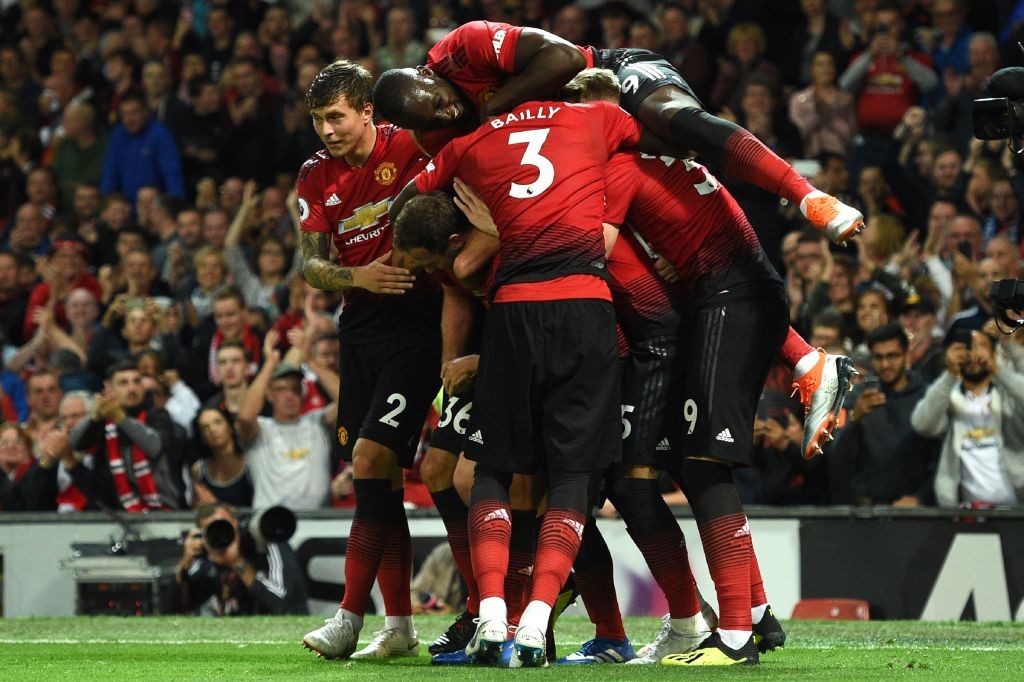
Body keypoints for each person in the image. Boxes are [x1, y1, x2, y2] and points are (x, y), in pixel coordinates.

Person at [387, 84, 679, 667]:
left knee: (516, 479)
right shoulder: (503, 172)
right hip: (556, 325)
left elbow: (469, 263)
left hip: (584, 331)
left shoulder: (493, 163)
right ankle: (506, 614)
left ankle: (534, 616)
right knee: (488, 474)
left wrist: (492, 230)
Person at [372, 19, 865, 247]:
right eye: (434, 120)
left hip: (608, 78)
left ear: (427, 73)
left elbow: (564, 58)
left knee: (678, 121)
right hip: (585, 146)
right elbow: (436, 190)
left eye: (439, 102)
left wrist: (493, 108)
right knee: (676, 157)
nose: (447, 113)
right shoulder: (434, 137)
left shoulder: (466, 44)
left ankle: (809, 197)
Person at [297, 61, 442, 662]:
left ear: (367, 112)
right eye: (318, 120)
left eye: (336, 117)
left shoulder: (409, 145)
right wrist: (359, 275)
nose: (327, 130)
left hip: (420, 322)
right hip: (359, 329)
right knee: (376, 480)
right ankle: (401, 626)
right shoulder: (315, 176)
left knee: (370, 455)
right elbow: (311, 264)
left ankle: (349, 618)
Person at [911, 330, 1024, 508]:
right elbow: (922, 424)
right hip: (965, 512)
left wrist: (998, 370)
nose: (973, 354)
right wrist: (949, 374)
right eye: (966, 348)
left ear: (994, 354)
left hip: (1016, 509)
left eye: (980, 346)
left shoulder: (1007, 395)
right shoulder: (949, 397)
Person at [830, 324, 939, 506]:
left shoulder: (927, 395)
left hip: (916, 509)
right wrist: (855, 418)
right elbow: (835, 456)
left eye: (892, 356)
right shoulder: (855, 397)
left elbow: (943, 457)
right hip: (868, 510)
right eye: (878, 358)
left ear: (906, 354)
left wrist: (921, 497)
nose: (885, 364)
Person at [234, 331, 336, 512]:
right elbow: (245, 416)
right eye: (281, 389)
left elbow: (350, 400)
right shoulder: (262, 429)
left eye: (295, 389)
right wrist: (269, 365)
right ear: (269, 394)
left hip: (318, 523)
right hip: (270, 521)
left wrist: (310, 360)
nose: (289, 396)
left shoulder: (317, 423)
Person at [69, 360, 183, 511]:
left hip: (164, 510)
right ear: (108, 388)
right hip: (118, 514)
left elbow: (155, 447)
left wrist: (121, 418)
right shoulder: (102, 422)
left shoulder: (157, 415)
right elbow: (75, 443)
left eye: (136, 381)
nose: (132, 389)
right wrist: (93, 417)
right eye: (123, 383)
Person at [176, 502, 308, 615]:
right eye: (213, 530)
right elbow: (176, 609)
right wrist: (185, 563)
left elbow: (281, 605)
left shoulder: (269, 543)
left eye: (225, 525)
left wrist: (238, 563)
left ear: (236, 524)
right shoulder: (207, 555)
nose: (222, 533)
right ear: (203, 535)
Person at [100, 90, 185, 203]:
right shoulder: (118, 135)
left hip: (154, 205)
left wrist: (175, 204)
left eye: (134, 113)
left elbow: (172, 174)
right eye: (124, 114)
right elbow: (109, 175)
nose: (128, 120)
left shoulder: (160, 135)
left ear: (146, 112)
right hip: (125, 208)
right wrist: (107, 203)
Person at [191, 407, 253, 508]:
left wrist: (217, 505)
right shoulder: (199, 470)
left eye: (218, 422)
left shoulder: (251, 465)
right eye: (205, 427)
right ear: (202, 438)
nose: (212, 429)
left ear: (230, 428)